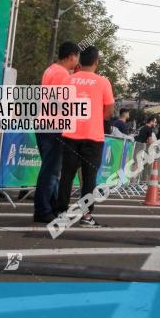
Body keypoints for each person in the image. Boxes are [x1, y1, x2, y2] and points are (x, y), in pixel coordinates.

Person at [55, 46, 115, 228]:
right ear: (97, 62)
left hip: (70, 134)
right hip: (93, 136)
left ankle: (61, 215)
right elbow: (110, 109)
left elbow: (58, 104)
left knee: (66, 175)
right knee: (89, 178)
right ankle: (86, 216)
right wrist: (97, 118)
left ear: (80, 61)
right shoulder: (103, 82)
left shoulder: (68, 79)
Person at [33, 41, 79, 223]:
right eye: (77, 57)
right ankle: (43, 210)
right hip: (55, 126)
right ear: (71, 56)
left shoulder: (50, 69)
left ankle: (49, 207)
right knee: (51, 171)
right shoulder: (62, 74)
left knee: (49, 169)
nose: (77, 61)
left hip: (43, 123)